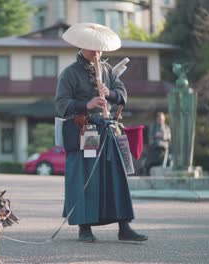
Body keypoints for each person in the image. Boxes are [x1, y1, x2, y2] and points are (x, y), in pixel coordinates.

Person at [55, 23, 148, 242]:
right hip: (86, 129)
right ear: (82, 46)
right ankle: (84, 228)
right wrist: (86, 105)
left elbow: (123, 93)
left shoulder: (106, 69)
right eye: (93, 48)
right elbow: (61, 104)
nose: (97, 53)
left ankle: (124, 227)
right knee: (87, 175)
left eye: (100, 49)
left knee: (116, 175)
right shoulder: (69, 73)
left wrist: (111, 94)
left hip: (107, 129)